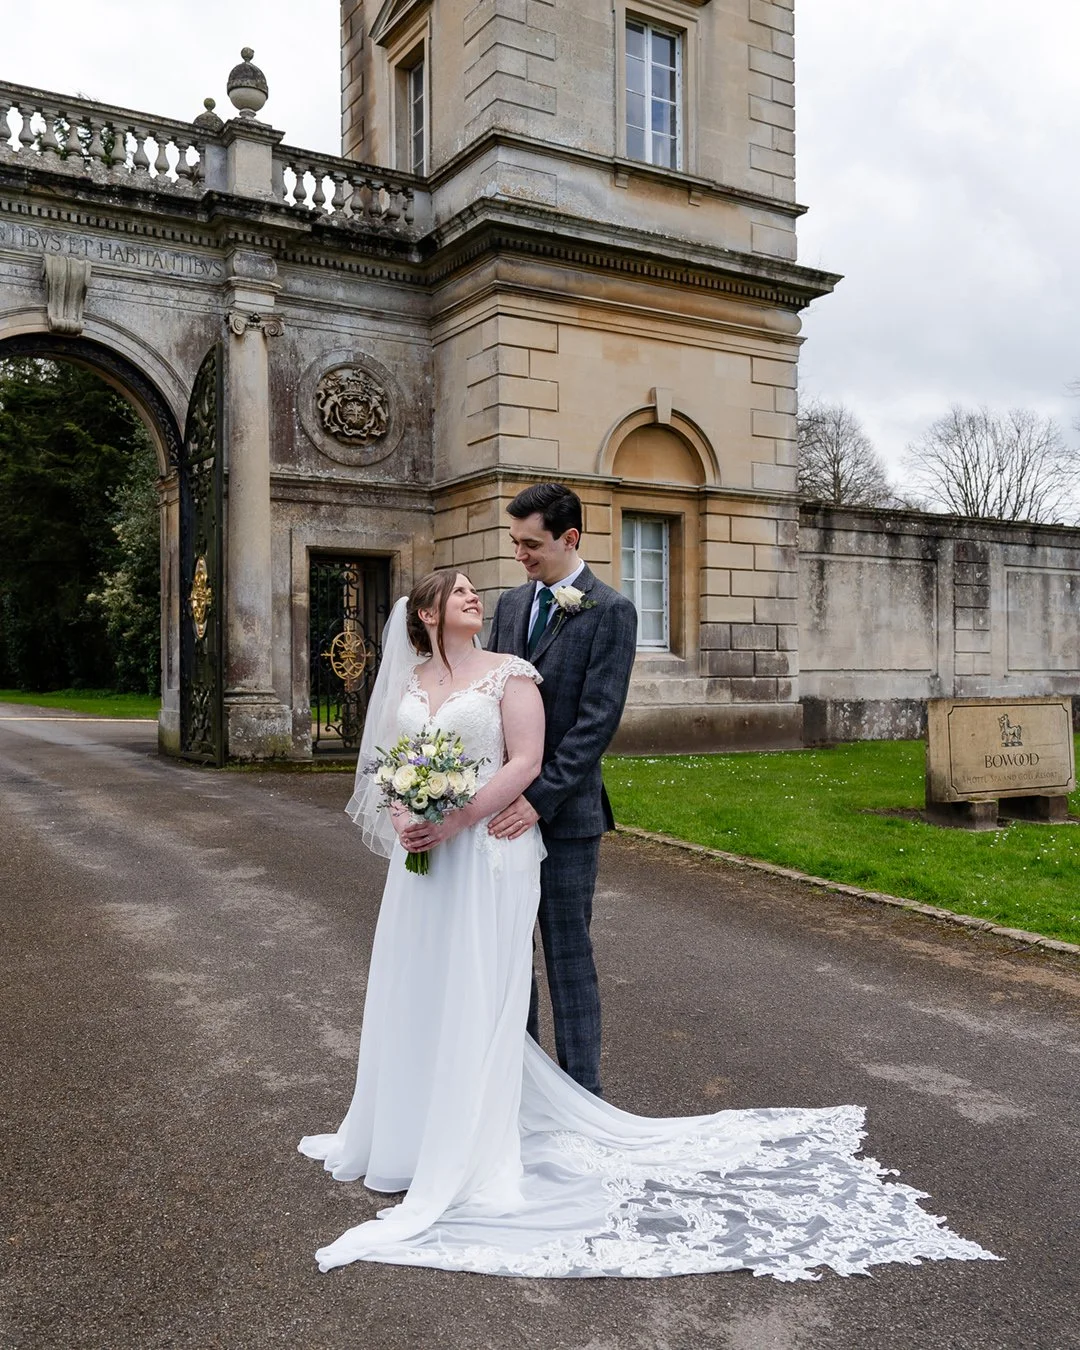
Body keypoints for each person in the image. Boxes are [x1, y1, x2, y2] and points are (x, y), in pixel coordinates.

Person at [298, 568, 996, 1280]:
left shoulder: (511, 674)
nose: (476, 597)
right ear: (426, 614)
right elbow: (390, 764)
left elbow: (527, 761)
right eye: (459, 592)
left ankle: (477, 1135)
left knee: (481, 986)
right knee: (420, 985)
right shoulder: (410, 680)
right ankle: (408, 1131)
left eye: (476, 589)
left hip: (486, 851)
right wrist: (405, 816)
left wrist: (457, 818)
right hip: (422, 864)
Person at [486, 483, 637, 1096]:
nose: (519, 554)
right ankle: (520, 1091)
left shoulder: (611, 611)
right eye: (515, 542)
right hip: (500, 814)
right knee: (508, 956)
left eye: (531, 544)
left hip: (568, 816)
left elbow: (597, 723)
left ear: (569, 538)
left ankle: (581, 1096)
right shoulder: (508, 604)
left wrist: (537, 799)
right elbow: (489, 701)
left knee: (568, 955)